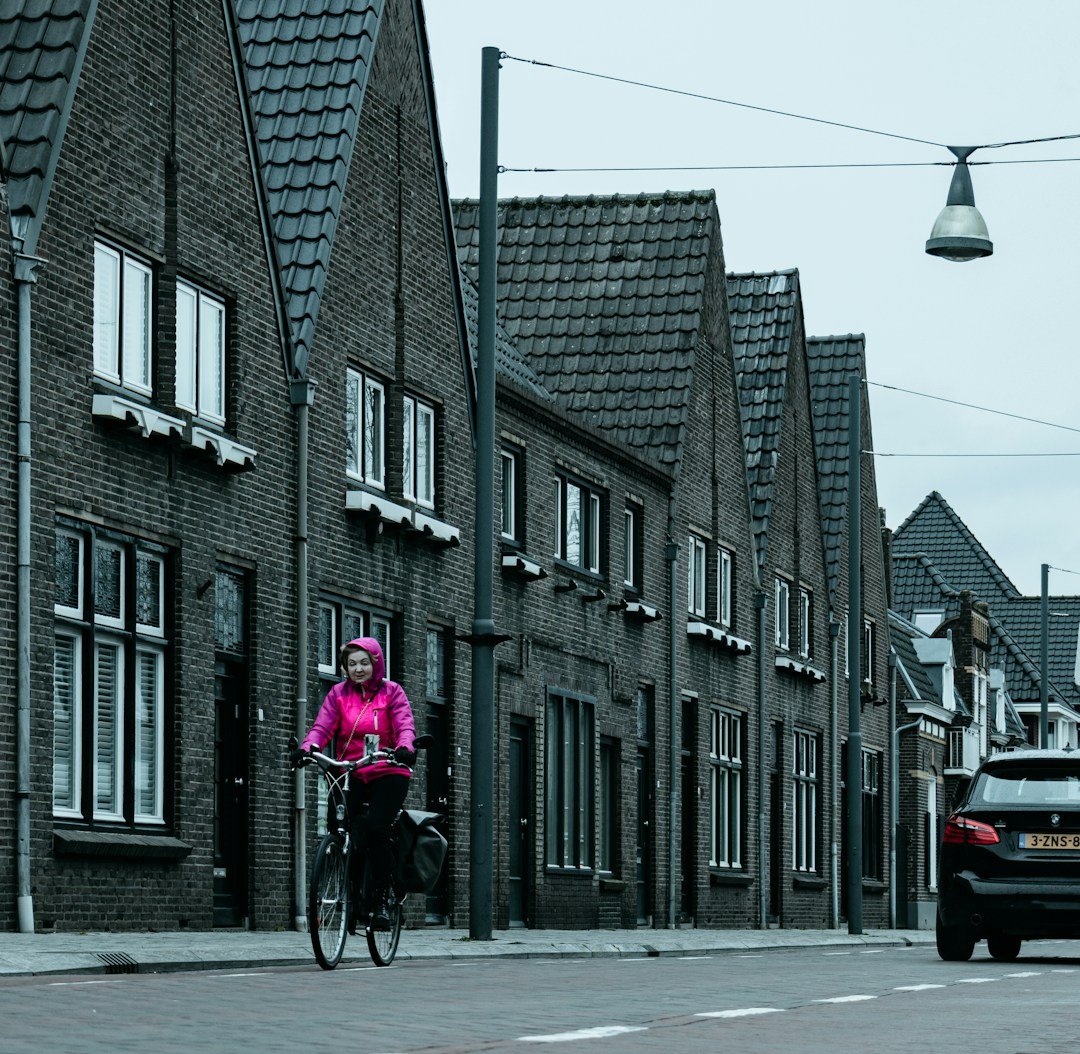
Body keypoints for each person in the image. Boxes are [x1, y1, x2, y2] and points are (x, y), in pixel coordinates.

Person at [291, 636, 416, 927]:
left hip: (388, 769)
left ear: (376, 664)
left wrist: (405, 748)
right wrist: (309, 748)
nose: (357, 669)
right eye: (351, 664)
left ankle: (382, 897)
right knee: (340, 829)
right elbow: (322, 727)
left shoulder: (392, 693)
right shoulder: (338, 694)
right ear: (345, 667)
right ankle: (352, 894)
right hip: (351, 770)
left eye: (363, 663)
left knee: (376, 829)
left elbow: (404, 725)